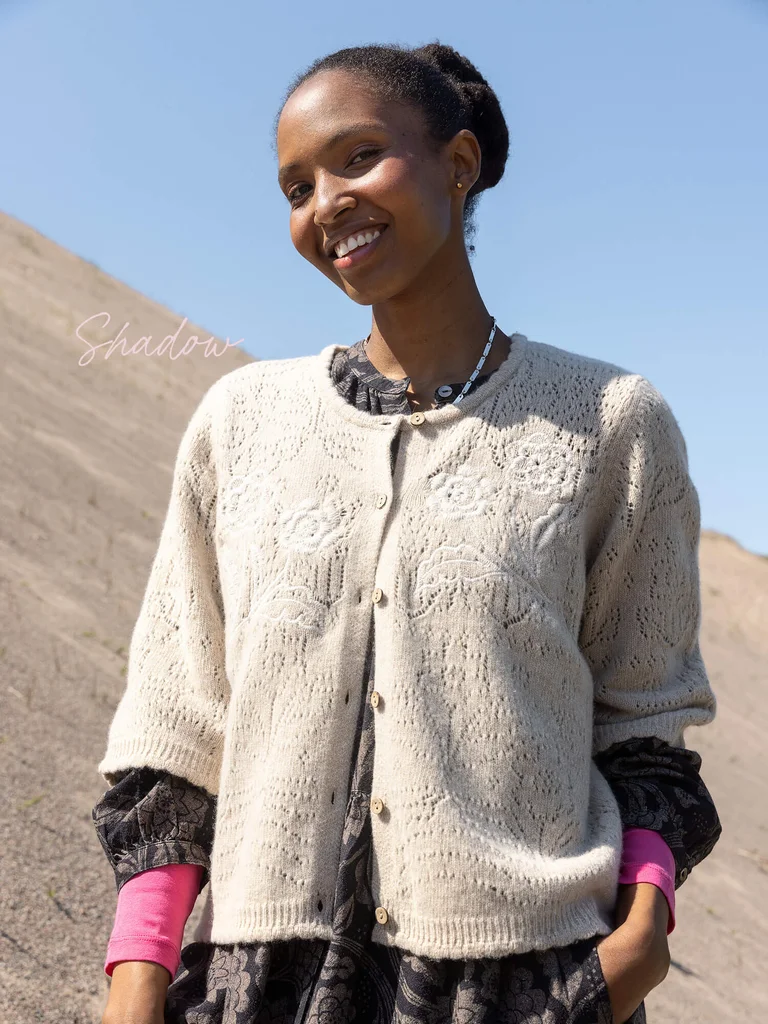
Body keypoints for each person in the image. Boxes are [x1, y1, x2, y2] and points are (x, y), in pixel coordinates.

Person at [94, 41, 721, 1024]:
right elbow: (177, 729)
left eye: (357, 158)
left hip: (524, 983)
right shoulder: (240, 423)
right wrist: (137, 975)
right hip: (261, 983)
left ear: (460, 164)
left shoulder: (610, 421)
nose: (324, 203)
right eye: (296, 186)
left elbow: (646, 729)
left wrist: (636, 943)